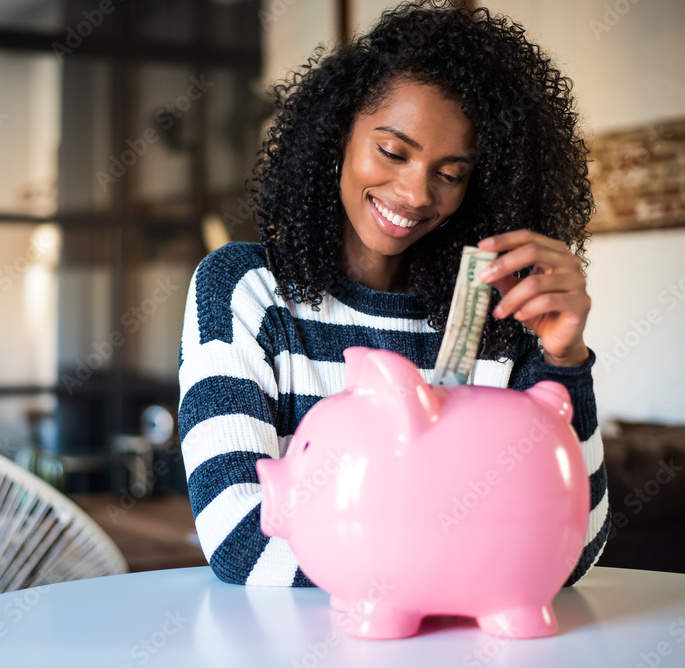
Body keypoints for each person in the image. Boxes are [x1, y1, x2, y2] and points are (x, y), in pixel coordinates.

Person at [178, 0, 610, 587]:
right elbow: (241, 539)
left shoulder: (499, 313)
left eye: (451, 173)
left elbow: (569, 552)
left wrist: (565, 363)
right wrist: (477, 561)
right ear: (338, 134)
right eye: (392, 150)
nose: (414, 193)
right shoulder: (246, 291)